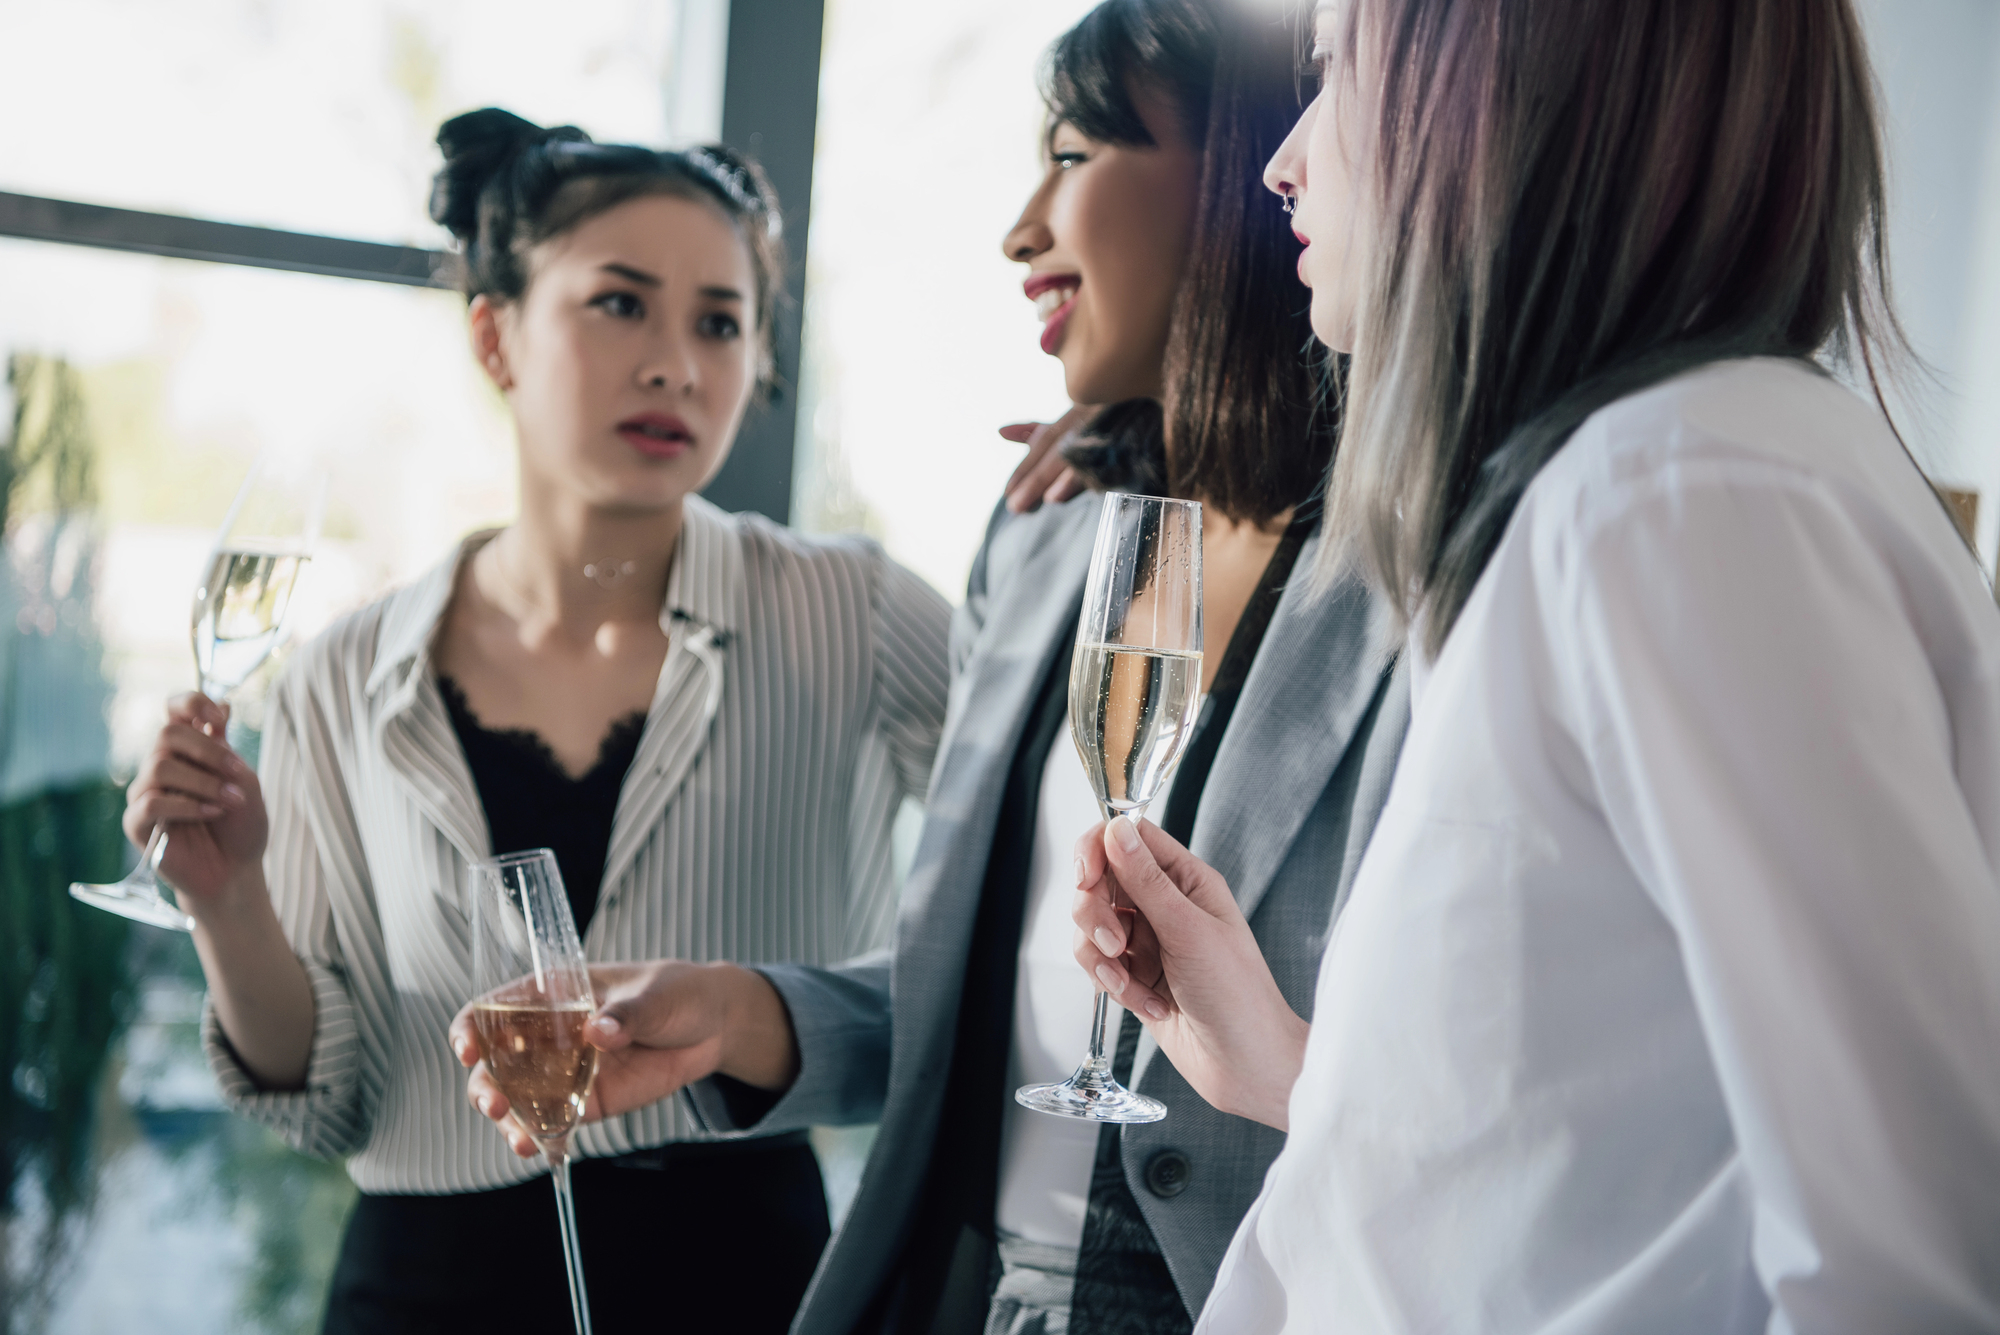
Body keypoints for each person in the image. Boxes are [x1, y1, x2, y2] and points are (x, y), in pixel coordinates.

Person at [461, 3, 1407, 1332]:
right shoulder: (1045, 541)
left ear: (1248, 178)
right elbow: (989, 1005)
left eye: (1074, 156)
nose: (1022, 227)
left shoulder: (1420, 577)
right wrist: (744, 1013)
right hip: (961, 1289)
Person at [1071, 0, 2000, 1329]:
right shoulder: (1634, 486)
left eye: (1335, 74)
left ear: (1496, 91)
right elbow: (1601, 1160)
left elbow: (1916, 1269)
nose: (1284, 158)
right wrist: (1287, 1063)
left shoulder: (1679, 493)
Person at [124, 108, 955, 1334]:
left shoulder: (861, 613)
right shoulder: (338, 678)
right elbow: (329, 1092)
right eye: (620, 303)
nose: (675, 360)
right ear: (494, 333)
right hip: (424, 1290)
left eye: (719, 322)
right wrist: (226, 900)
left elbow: (1040, 938)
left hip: (747, 1282)